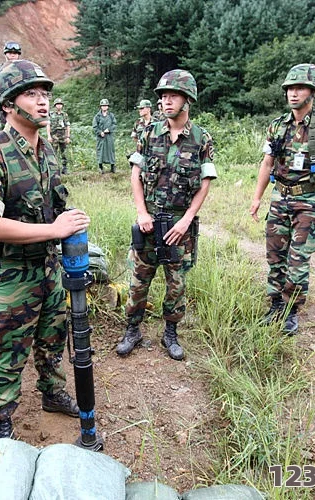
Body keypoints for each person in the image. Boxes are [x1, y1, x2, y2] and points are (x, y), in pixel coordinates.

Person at [0, 59, 89, 439]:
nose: (42, 102)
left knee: (53, 338)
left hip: (48, 268)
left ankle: (52, 394)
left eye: (44, 94)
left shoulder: (46, 150)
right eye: (31, 94)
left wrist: (66, 219)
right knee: (7, 350)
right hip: (11, 275)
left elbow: (49, 204)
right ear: (8, 104)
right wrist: (53, 228)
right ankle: (1, 420)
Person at [116, 70, 216, 361]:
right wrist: (141, 212)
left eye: (172, 95)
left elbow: (205, 183)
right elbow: (135, 176)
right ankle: (132, 329)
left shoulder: (201, 139)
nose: (165, 101)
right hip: (148, 220)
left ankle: (170, 332)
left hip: (179, 223)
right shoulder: (148, 133)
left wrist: (186, 220)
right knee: (138, 278)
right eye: (162, 96)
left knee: (177, 281)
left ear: (187, 99)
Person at [249, 63, 315, 335]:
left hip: (309, 200)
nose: (293, 93)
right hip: (280, 198)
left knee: (298, 258)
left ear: (312, 91)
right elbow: (267, 164)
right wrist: (257, 198)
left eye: (299, 88)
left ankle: (291, 310)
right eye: (290, 88)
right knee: (275, 255)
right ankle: (276, 304)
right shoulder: (277, 126)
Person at [92, 98, 117, 173]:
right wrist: (100, 132)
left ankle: (113, 167)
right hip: (101, 137)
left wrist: (109, 129)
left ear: (108, 107)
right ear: (100, 107)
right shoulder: (97, 116)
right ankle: (100, 167)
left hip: (109, 136)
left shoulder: (111, 115)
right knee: (100, 151)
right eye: (103, 106)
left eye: (106, 106)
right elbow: (95, 126)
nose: (104, 107)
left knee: (110, 151)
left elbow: (114, 124)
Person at [47, 97, 71, 174]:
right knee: (54, 153)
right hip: (54, 136)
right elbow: (48, 125)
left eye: (60, 104)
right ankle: (54, 169)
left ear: (62, 105)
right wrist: (49, 136)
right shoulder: (51, 114)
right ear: (55, 105)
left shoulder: (65, 115)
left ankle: (65, 168)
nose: (59, 106)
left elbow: (67, 126)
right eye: (57, 104)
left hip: (63, 136)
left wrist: (68, 137)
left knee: (64, 152)